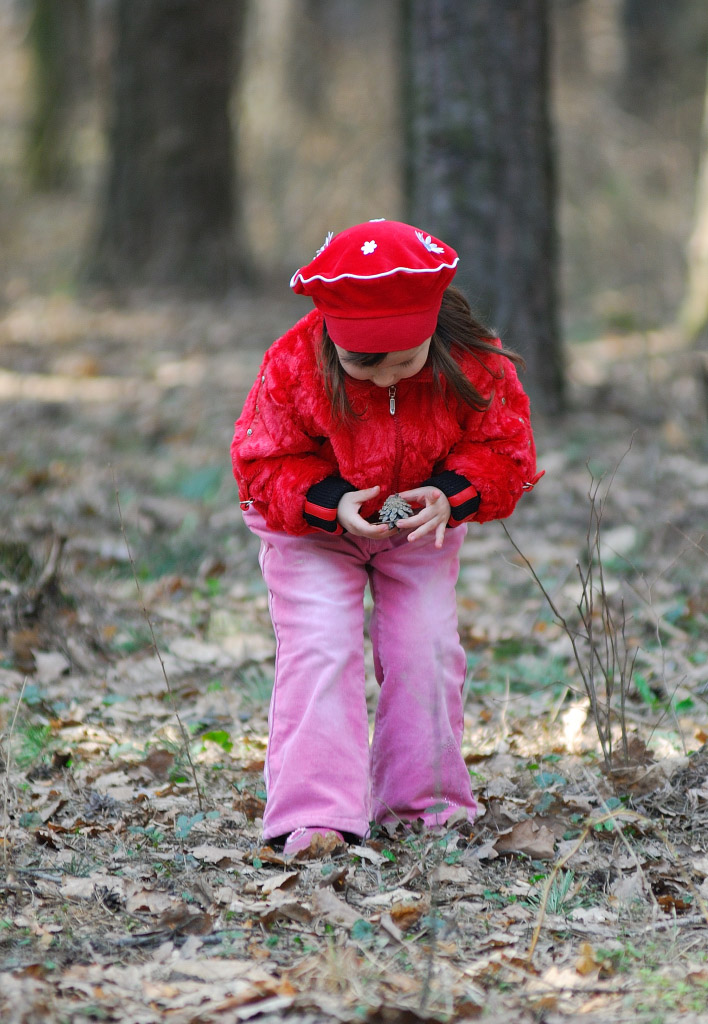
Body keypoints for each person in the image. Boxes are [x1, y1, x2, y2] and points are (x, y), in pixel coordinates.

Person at [231, 219, 541, 856]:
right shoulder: (293, 363)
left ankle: (422, 804)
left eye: (403, 363)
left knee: (425, 649)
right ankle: (315, 815)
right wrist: (327, 502)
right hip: (313, 529)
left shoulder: (474, 360)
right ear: (332, 341)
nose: (382, 382)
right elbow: (262, 459)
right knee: (321, 647)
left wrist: (450, 494)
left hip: (417, 524)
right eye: (361, 367)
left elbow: (506, 448)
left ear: (431, 330)